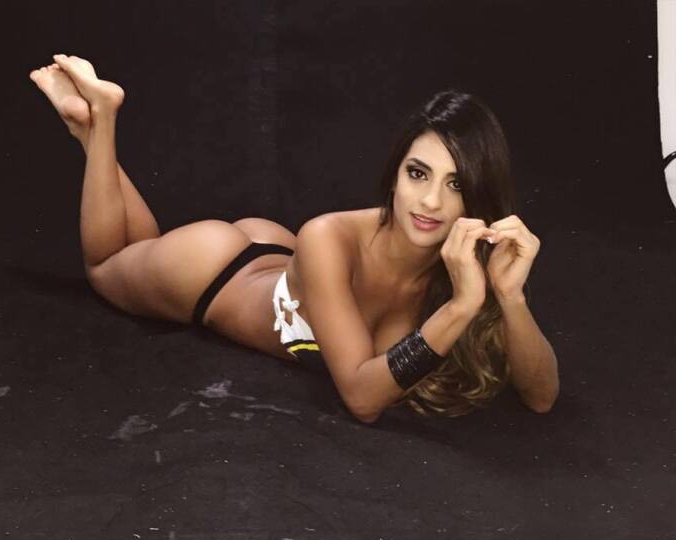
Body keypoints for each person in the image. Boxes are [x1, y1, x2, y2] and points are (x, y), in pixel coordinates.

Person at [29, 54, 559, 424]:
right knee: (106, 266)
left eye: (456, 185)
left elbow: (540, 398)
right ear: (395, 175)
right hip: (213, 272)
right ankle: (102, 121)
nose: (430, 202)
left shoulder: (465, 261)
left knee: (137, 248)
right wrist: (462, 308)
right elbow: (361, 397)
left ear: (479, 196)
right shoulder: (329, 234)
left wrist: (509, 297)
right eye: (417, 174)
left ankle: (89, 126)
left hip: (277, 257)